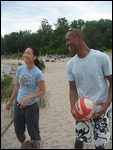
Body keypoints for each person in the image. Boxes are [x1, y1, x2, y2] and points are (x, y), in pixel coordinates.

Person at [65, 28, 112, 149]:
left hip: (101, 107)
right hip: (82, 107)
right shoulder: (71, 64)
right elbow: (72, 89)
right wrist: (73, 108)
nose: (67, 43)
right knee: (79, 139)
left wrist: (106, 105)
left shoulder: (101, 57)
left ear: (79, 38)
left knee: (99, 143)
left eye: (68, 40)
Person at [6, 47, 46, 148]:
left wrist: (29, 97)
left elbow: (43, 91)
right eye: (24, 53)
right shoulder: (20, 69)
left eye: (28, 53)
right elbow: (17, 86)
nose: (25, 55)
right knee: (18, 130)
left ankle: (37, 146)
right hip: (19, 104)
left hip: (31, 107)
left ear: (35, 57)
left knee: (33, 132)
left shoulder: (37, 73)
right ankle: (24, 145)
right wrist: (10, 101)